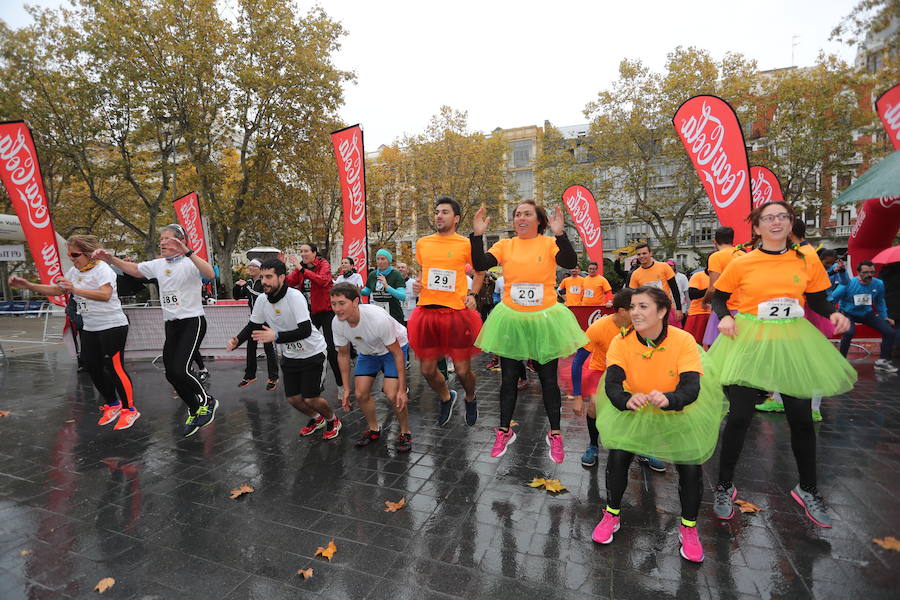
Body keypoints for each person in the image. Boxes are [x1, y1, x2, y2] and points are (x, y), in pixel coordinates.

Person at [708, 201, 856, 528]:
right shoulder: (742, 262)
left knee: (801, 419)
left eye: (783, 217)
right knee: (740, 417)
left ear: (790, 224)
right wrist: (726, 318)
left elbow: (817, 297)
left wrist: (832, 312)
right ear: (757, 227)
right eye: (768, 218)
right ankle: (723, 486)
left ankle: (808, 488)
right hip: (747, 342)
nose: (776, 222)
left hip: (791, 342)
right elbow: (718, 296)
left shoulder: (806, 259)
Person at [592, 286, 726, 563]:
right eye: (633, 307)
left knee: (690, 466)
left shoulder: (683, 340)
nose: (636, 312)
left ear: (662, 311)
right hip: (636, 405)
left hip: (677, 407)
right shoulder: (621, 341)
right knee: (618, 456)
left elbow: (691, 386)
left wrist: (670, 399)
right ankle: (611, 514)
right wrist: (625, 400)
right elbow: (613, 382)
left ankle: (688, 527)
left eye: (643, 306)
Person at [471, 200, 588, 463]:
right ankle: (504, 430)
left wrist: (560, 233)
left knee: (548, 380)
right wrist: (477, 236)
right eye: (517, 215)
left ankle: (555, 434)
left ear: (539, 220)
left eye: (527, 214)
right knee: (509, 378)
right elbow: (481, 262)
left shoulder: (548, 243)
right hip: (512, 317)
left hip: (544, 317)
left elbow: (569, 261)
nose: (520, 218)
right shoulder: (506, 245)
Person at [94, 224, 217, 437]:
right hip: (172, 324)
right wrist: (111, 259)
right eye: (161, 239)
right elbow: (134, 269)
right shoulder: (159, 265)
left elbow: (210, 274)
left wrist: (188, 252)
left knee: (182, 369)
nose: (162, 242)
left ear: (180, 242)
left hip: (192, 322)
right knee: (171, 373)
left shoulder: (190, 262)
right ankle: (195, 408)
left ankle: (208, 402)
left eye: (167, 239)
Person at [11, 234, 139, 430]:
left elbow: (105, 295)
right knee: (92, 366)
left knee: (114, 367)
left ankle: (130, 410)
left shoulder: (102, 269)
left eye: (75, 254)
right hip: (90, 326)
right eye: (69, 254)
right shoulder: (74, 271)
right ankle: (113, 404)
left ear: (88, 253)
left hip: (112, 325)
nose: (71, 258)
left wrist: (75, 289)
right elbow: (57, 290)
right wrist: (28, 285)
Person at [227, 259, 341, 440]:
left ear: (281, 277)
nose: (264, 281)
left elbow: (304, 330)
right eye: (263, 277)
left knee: (311, 398)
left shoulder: (295, 297)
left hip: (313, 352)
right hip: (290, 355)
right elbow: (252, 325)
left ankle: (332, 419)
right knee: (294, 399)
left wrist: (277, 336)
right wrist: (237, 340)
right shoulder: (262, 300)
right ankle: (316, 418)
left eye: (269, 277)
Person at [408, 197, 482, 426]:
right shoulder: (423, 243)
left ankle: (470, 397)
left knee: (461, 371)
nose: (439, 216)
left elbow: (479, 273)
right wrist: (418, 284)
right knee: (428, 371)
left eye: (445, 212)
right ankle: (446, 397)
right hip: (428, 313)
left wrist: (473, 295)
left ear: (456, 218)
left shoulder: (465, 244)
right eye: (437, 212)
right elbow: (425, 271)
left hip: (456, 314)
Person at [331, 283, 411, 452]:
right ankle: (374, 429)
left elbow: (397, 354)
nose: (337, 309)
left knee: (392, 394)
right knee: (360, 393)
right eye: (334, 304)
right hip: (367, 351)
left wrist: (402, 390)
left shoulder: (377, 319)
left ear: (355, 302)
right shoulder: (337, 323)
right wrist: (345, 389)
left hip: (392, 349)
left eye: (342, 303)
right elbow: (343, 355)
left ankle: (405, 432)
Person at [570, 288, 633, 467]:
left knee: (641, 406)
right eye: (634, 308)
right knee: (595, 407)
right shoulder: (598, 327)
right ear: (622, 311)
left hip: (631, 371)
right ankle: (593, 445)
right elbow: (577, 361)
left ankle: (644, 448)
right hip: (602, 371)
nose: (640, 312)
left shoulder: (641, 325)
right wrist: (577, 397)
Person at [286, 244, 342, 395]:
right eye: (301, 251)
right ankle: (315, 381)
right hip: (310, 313)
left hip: (327, 311)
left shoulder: (323, 264)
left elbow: (323, 281)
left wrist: (302, 270)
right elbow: (289, 282)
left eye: (306, 251)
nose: (303, 254)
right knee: (307, 346)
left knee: (330, 349)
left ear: (314, 253)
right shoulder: (299, 268)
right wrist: (278, 270)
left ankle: (341, 384)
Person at [834, 260, 897, 373]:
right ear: (859, 272)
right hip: (848, 313)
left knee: (890, 332)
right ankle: (841, 360)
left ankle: (882, 362)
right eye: (866, 272)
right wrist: (834, 313)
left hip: (866, 313)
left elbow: (879, 301)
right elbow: (833, 298)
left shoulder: (878, 284)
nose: (869, 275)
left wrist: (884, 316)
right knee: (849, 332)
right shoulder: (849, 283)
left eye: (872, 272)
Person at [232, 259, 279, 390]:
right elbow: (237, 296)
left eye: (254, 266)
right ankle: (249, 375)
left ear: (260, 268)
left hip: (266, 319)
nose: (251, 268)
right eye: (250, 266)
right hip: (254, 319)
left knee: (268, 348)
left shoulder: (264, 282)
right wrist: (237, 287)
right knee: (250, 347)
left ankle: (273, 377)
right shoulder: (250, 282)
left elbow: (262, 296)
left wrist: (246, 287)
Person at [701, 227, 743, 347]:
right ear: (732, 240)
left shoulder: (716, 256)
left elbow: (713, 288)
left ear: (715, 241)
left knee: (716, 350)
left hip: (724, 309)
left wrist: (704, 301)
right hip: (744, 310)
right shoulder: (743, 254)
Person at [627, 243, 683, 324]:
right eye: (639, 254)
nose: (641, 256)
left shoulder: (664, 267)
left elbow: (675, 289)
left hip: (665, 309)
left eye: (644, 253)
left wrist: (679, 309)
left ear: (650, 253)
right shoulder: (635, 274)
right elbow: (632, 296)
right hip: (647, 313)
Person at [361, 249, 407, 324]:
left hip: (394, 316)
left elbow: (402, 296)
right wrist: (359, 290)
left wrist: (387, 286)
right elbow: (367, 291)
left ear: (389, 261)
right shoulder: (373, 275)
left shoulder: (396, 274)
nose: (380, 261)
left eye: (383, 259)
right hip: (378, 315)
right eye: (378, 259)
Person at [684, 268, 711, 344]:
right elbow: (692, 294)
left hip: (717, 314)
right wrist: (711, 289)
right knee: (692, 343)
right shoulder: (698, 275)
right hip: (698, 312)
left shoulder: (723, 275)